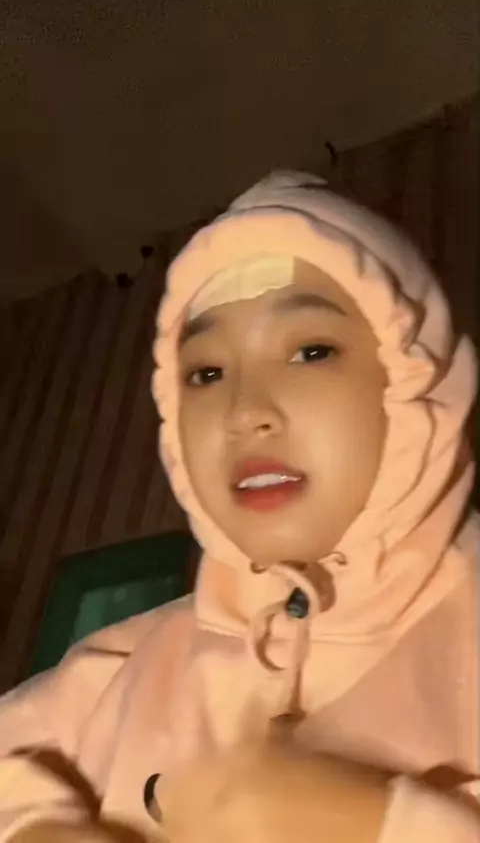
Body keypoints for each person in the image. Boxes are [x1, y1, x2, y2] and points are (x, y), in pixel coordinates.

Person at [1, 172, 478, 842]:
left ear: (416, 382)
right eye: (206, 373)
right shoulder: (121, 664)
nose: (244, 412)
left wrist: (382, 825)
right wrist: (31, 825)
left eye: (312, 352)